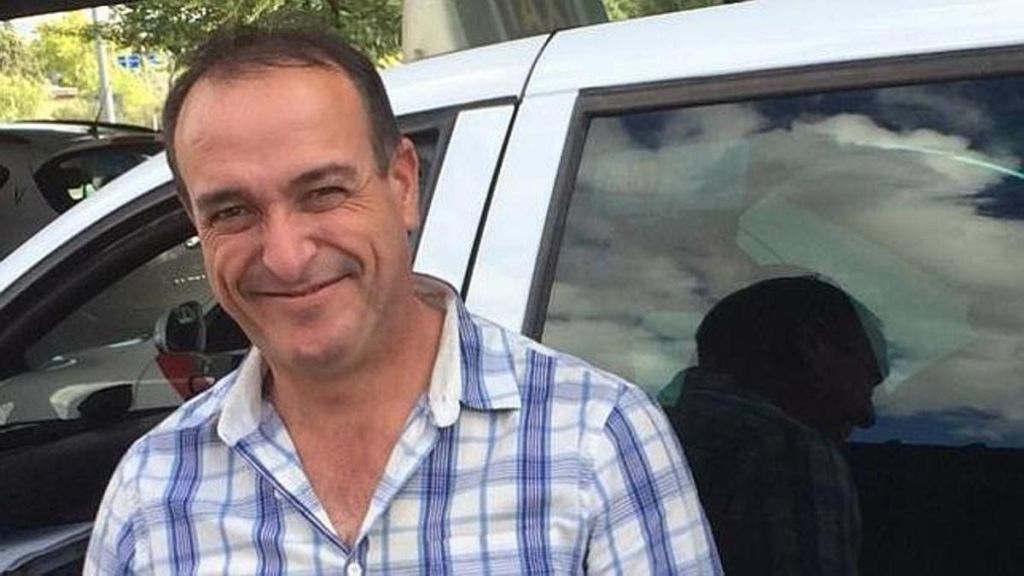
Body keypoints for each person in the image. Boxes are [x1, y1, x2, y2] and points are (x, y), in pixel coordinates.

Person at [84, 28, 720, 574]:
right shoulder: (153, 492)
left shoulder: (596, 440)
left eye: (323, 192)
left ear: (404, 184)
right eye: (232, 211)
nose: (286, 256)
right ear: (196, 225)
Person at [668, 276, 888, 576]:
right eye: (868, 380)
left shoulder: (638, 438)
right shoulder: (790, 453)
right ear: (814, 343)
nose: (868, 416)